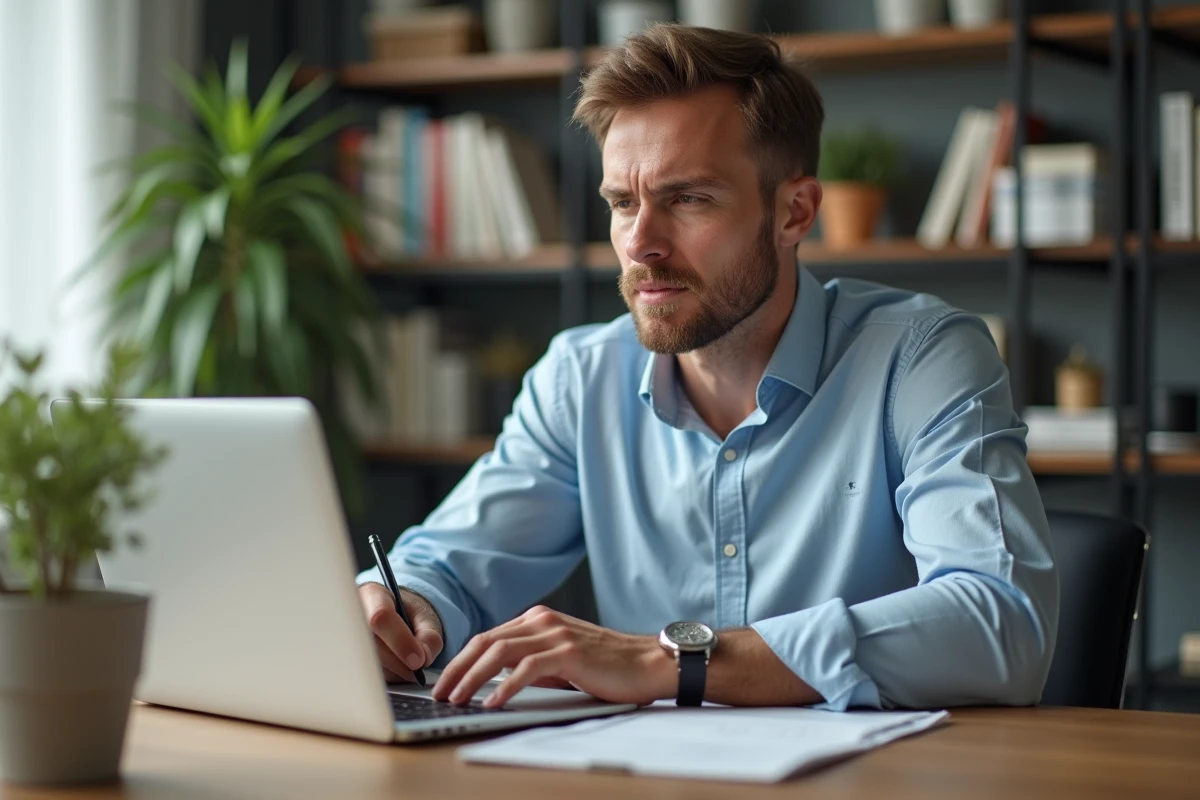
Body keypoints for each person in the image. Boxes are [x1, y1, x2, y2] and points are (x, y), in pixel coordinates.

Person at [357, 24, 1058, 712]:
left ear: (794, 211)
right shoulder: (580, 377)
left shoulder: (922, 358)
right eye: (622, 202)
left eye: (688, 199)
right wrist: (406, 606)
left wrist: (669, 662)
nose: (641, 244)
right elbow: (451, 563)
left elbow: (1002, 625)